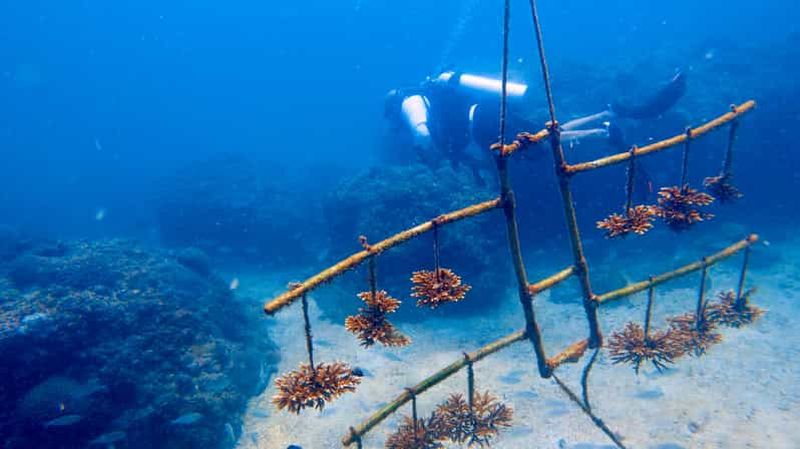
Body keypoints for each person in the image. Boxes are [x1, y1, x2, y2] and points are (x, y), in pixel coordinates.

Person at [384, 70, 686, 187]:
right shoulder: (428, 95)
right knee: (542, 135)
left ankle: (604, 132)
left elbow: (423, 134)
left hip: (482, 126)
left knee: (539, 147)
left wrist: (426, 153)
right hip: (487, 114)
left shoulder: (409, 104)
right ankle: (606, 116)